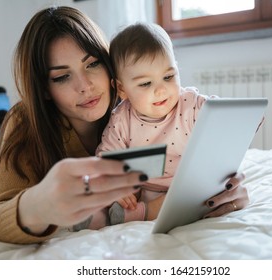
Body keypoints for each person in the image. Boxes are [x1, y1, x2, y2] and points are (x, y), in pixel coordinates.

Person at [0, 6, 248, 245]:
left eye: (92, 64)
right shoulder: (24, 123)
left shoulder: (134, 99)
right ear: (44, 89)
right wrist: (39, 205)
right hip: (13, 131)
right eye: (61, 77)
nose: (86, 87)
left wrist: (220, 184)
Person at [94, 22, 247, 226]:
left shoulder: (191, 104)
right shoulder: (121, 118)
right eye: (146, 83)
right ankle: (107, 215)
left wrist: (232, 118)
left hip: (185, 187)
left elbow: (219, 117)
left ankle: (144, 213)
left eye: (168, 76)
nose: (161, 90)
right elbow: (106, 158)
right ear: (122, 89)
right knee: (110, 198)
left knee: (194, 196)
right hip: (143, 189)